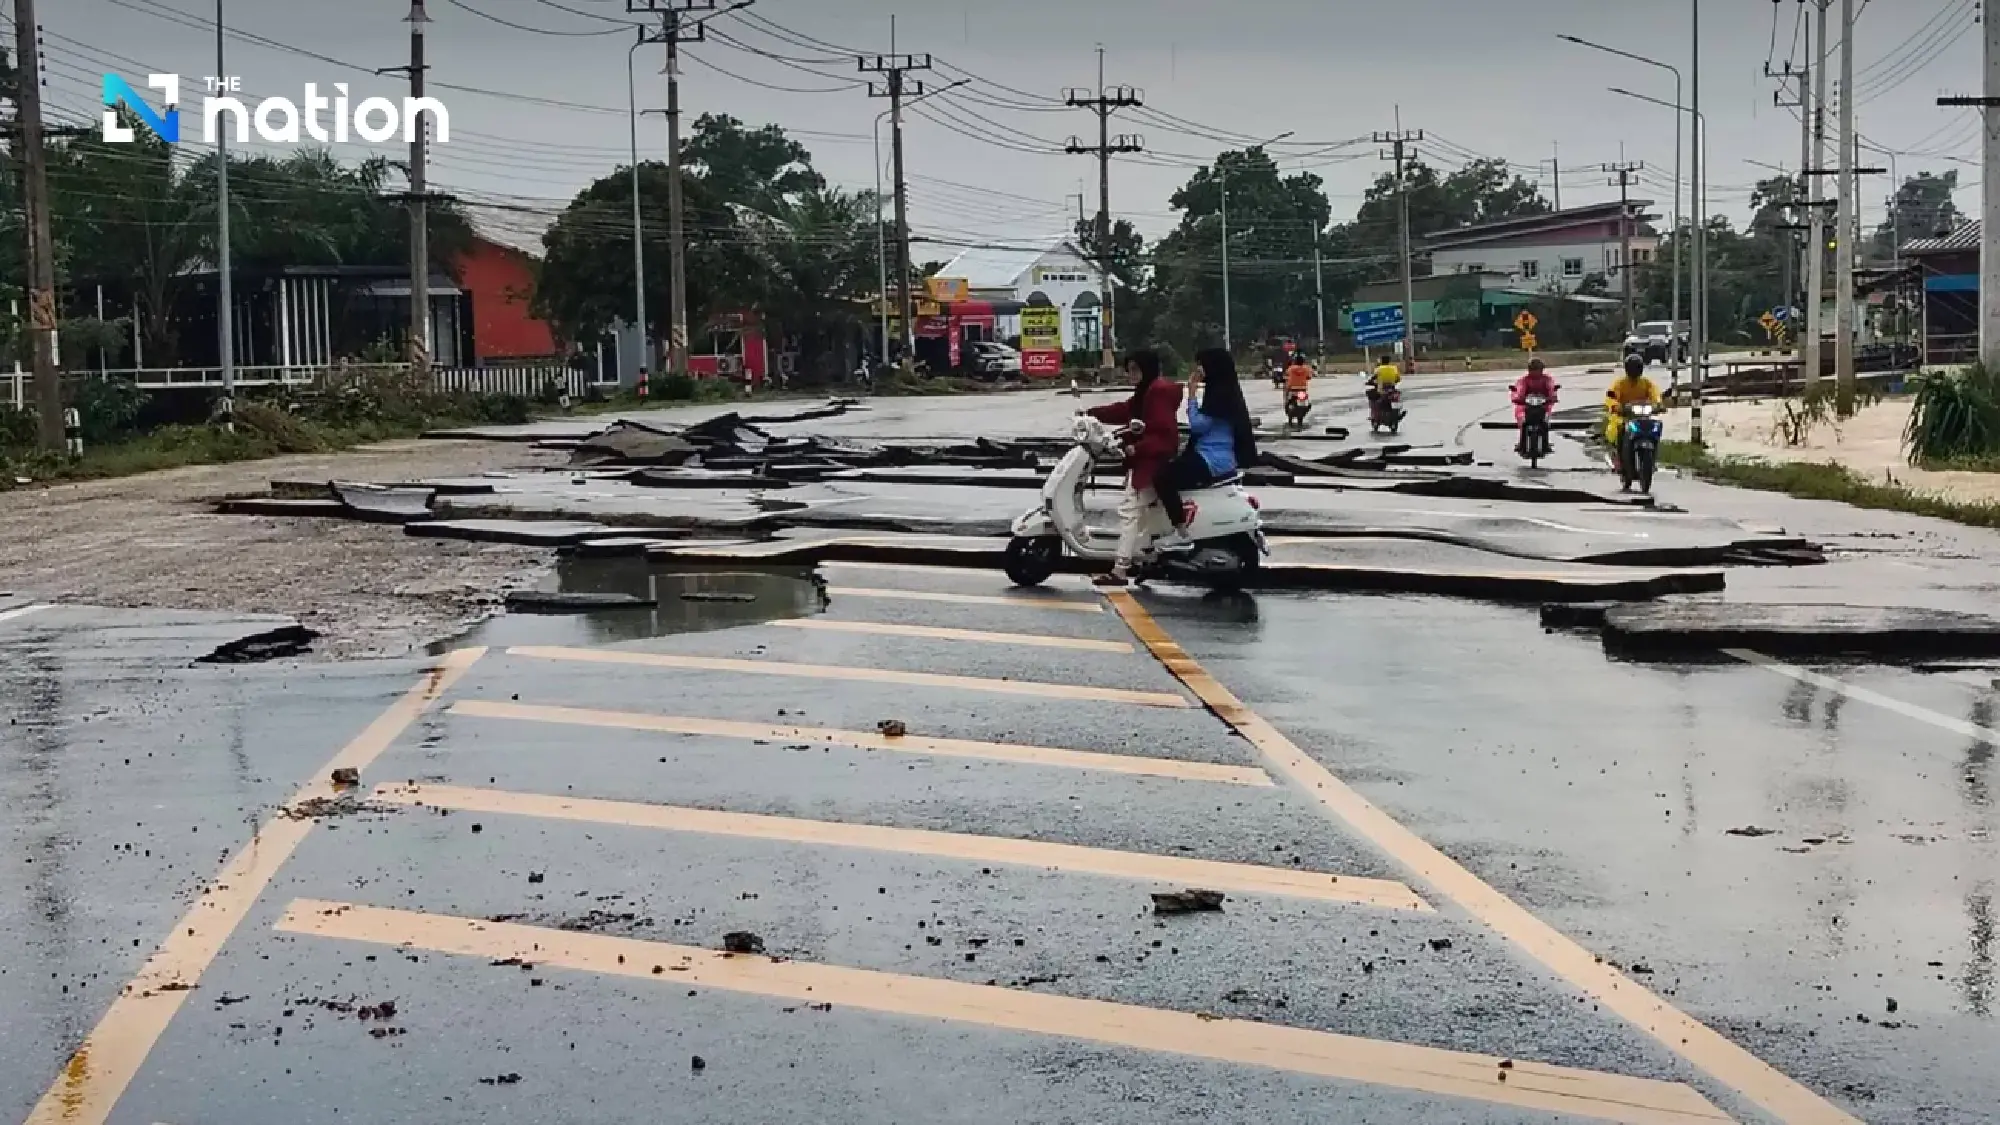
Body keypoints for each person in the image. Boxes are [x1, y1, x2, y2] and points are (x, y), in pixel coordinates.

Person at [1084, 350, 1184, 587]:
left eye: (1135, 370)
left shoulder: (1156, 393)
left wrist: (1137, 449)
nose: (1130, 375)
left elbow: (1164, 433)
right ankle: (1147, 558)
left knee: (1129, 512)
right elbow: (1124, 411)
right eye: (1128, 370)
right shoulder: (1146, 393)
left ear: (1147, 369)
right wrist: (1091, 414)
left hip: (1151, 464)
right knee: (1142, 516)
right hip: (1147, 461)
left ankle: (1120, 570)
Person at [1154, 348, 1259, 550]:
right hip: (1216, 457)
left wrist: (1191, 394)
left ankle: (1181, 531)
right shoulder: (1223, 390)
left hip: (1211, 460)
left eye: (1202, 364)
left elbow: (1198, 425)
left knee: (1162, 477)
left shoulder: (1220, 394)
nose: (1199, 369)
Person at [1603, 352, 1663, 472]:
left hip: (1643, 416)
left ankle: (1653, 458)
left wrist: (1658, 404)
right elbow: (1611, 396)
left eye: (1637, 368)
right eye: (1632, 368)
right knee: (1619, 429)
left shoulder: (1646, 383)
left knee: (1656, 427)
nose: (1634, 371)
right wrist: (1615, 406)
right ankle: (1619, 459)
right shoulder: (1620, 383)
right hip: (1625, 416)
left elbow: (1655, 393)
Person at [1511, 357, 1559, 454]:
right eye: (1532, 369)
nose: (1535, 371)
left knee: (1545, 421)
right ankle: (1521, 443)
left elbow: (1551, 389)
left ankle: (1546, 443)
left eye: (1537, 369)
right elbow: (1519, 390)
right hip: (1526, 406)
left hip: (1543, 406)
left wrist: (1552, 396)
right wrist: (1517, 397)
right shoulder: (1524, 380)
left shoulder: (1547, 379)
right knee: (1522, 420)